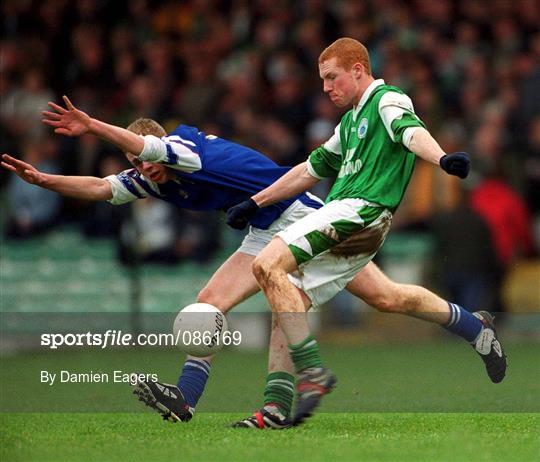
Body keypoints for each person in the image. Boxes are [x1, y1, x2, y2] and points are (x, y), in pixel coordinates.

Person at [2, 93, 504, 430]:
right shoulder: (151, 173)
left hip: (301, 215)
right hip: (262, 229)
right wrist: (46, 182)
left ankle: (283, 402)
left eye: (146, 157)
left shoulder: (181, 150)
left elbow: (149, 145)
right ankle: (190, 399)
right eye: (138, 165)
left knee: (358, 298)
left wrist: (91, 127)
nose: (144, 168)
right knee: (210, 303)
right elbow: (99, 186)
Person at [226, 38, 507, 426]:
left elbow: (410, 133)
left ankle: (313, 374)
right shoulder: (348, 122)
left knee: (267, 265)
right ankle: (475, 327)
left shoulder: (387, 100)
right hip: (347, 217)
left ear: (358, 69)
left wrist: (442, 158)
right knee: (297, 297)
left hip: (360, 211)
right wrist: (255, 203)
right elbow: (310, 170)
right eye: (323, 80)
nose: (326, 87)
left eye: (332, 77)